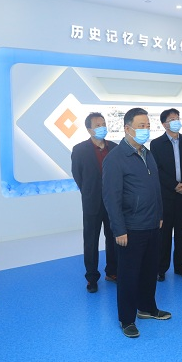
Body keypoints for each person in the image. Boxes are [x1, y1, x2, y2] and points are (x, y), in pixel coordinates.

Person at [102, 107, 171, 338]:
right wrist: (119, 229)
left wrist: (159, 215)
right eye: (141, 126)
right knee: (129, 276)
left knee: (149, 271)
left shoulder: (147, 154)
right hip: (130, 228)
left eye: (148, 126)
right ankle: (127, 319)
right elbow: (111, 198)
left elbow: (155, 189)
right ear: (127, 128)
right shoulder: (115, 158)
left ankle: (147, 308)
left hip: (152, 224)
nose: (146, 130)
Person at [71, 112, 118, 293]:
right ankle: (92, 278)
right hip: (92, 202)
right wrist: (89, 192)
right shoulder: (79, 150)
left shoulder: (114, 148)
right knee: (91, 241)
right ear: (89, 129)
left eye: (103, 124)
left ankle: (112, 272)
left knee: (113, 238)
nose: (102, 127)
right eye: (98, 125)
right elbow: (78, 175)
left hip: (112, 202)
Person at [150, 108, 182, 282]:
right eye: (172, 119)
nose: (176, 121)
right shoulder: (156, 144)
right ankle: (161, 268)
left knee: (181, 233)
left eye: (177, 118)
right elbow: (157, 170)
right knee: (165, 233)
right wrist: (174, 185)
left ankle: (180, 266)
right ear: (164, 124)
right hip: (166, 195)